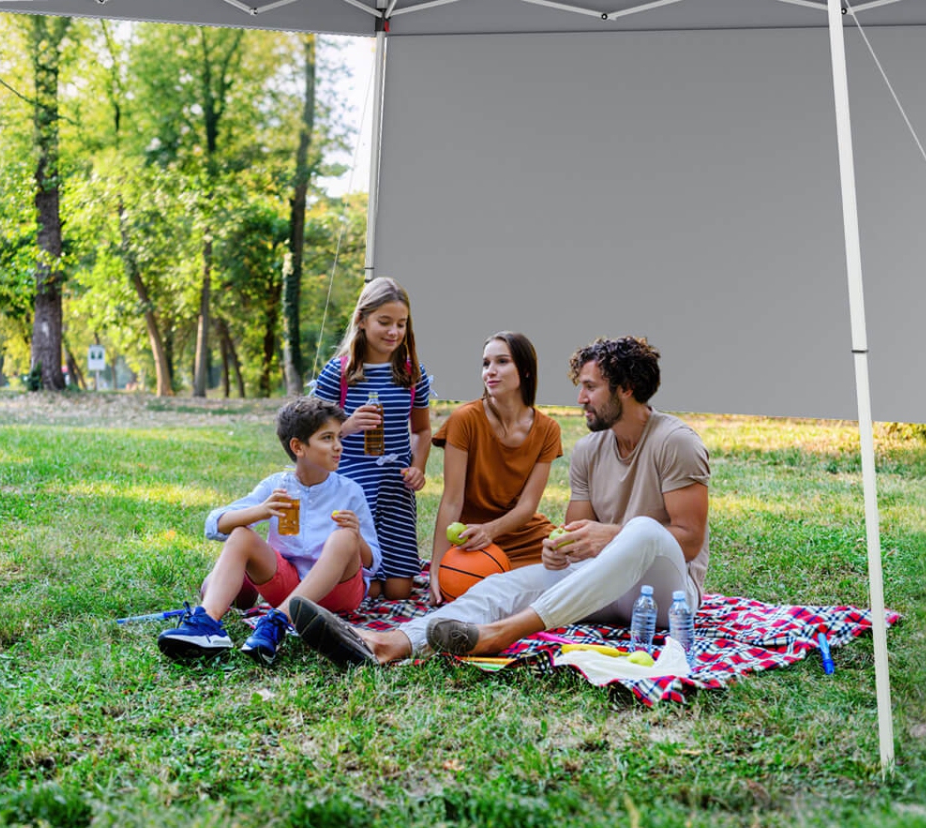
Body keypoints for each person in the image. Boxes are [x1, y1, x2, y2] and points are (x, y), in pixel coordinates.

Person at [288, 335, 708, 669]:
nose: (580, 398)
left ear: (627, 389)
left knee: (642, 531)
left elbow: (687, 541)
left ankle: (500, 634)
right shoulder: (589, 450)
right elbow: (575, 536)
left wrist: (610, 536)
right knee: (499, 584)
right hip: (601, 590)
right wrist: (557, 549)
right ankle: (389, 643)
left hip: (667, 598)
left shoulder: (675, 442)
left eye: (590, 387)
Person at [156, 396, 379, 666]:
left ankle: (277, 621)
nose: (338, 446)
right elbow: (213, 524)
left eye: (338, 437)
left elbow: (373, 562)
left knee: (344, 536)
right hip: (285, 587)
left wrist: (357, 537)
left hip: (337, 595)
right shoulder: (277, 485)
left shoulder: (350, 491)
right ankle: (207, 623)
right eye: (327, 438)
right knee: (241, 534)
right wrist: (260, 511)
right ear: (298, 447)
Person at [311, 277, 432, 600]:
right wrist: (345, 427)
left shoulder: (411, 374)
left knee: (398, 590)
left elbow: (421, 431)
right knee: (369, 586)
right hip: (352, 485)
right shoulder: (339, 373)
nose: (394, 332)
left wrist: (418, 467)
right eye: (385, 322)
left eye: (401, 324)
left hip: (395, 486)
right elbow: (311, 434)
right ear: (362, 321)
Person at [426, 331, 563, 598]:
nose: (490, 371)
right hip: (472, 537)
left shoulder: (548, 429)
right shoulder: (464, 419)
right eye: (486, 363)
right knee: (477, 589)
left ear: (524, 370)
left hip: (521, 533)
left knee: (570, 563)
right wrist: (437, 569)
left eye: (501, 362)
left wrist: (493, 530)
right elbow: (452, 500)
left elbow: (527, 507)